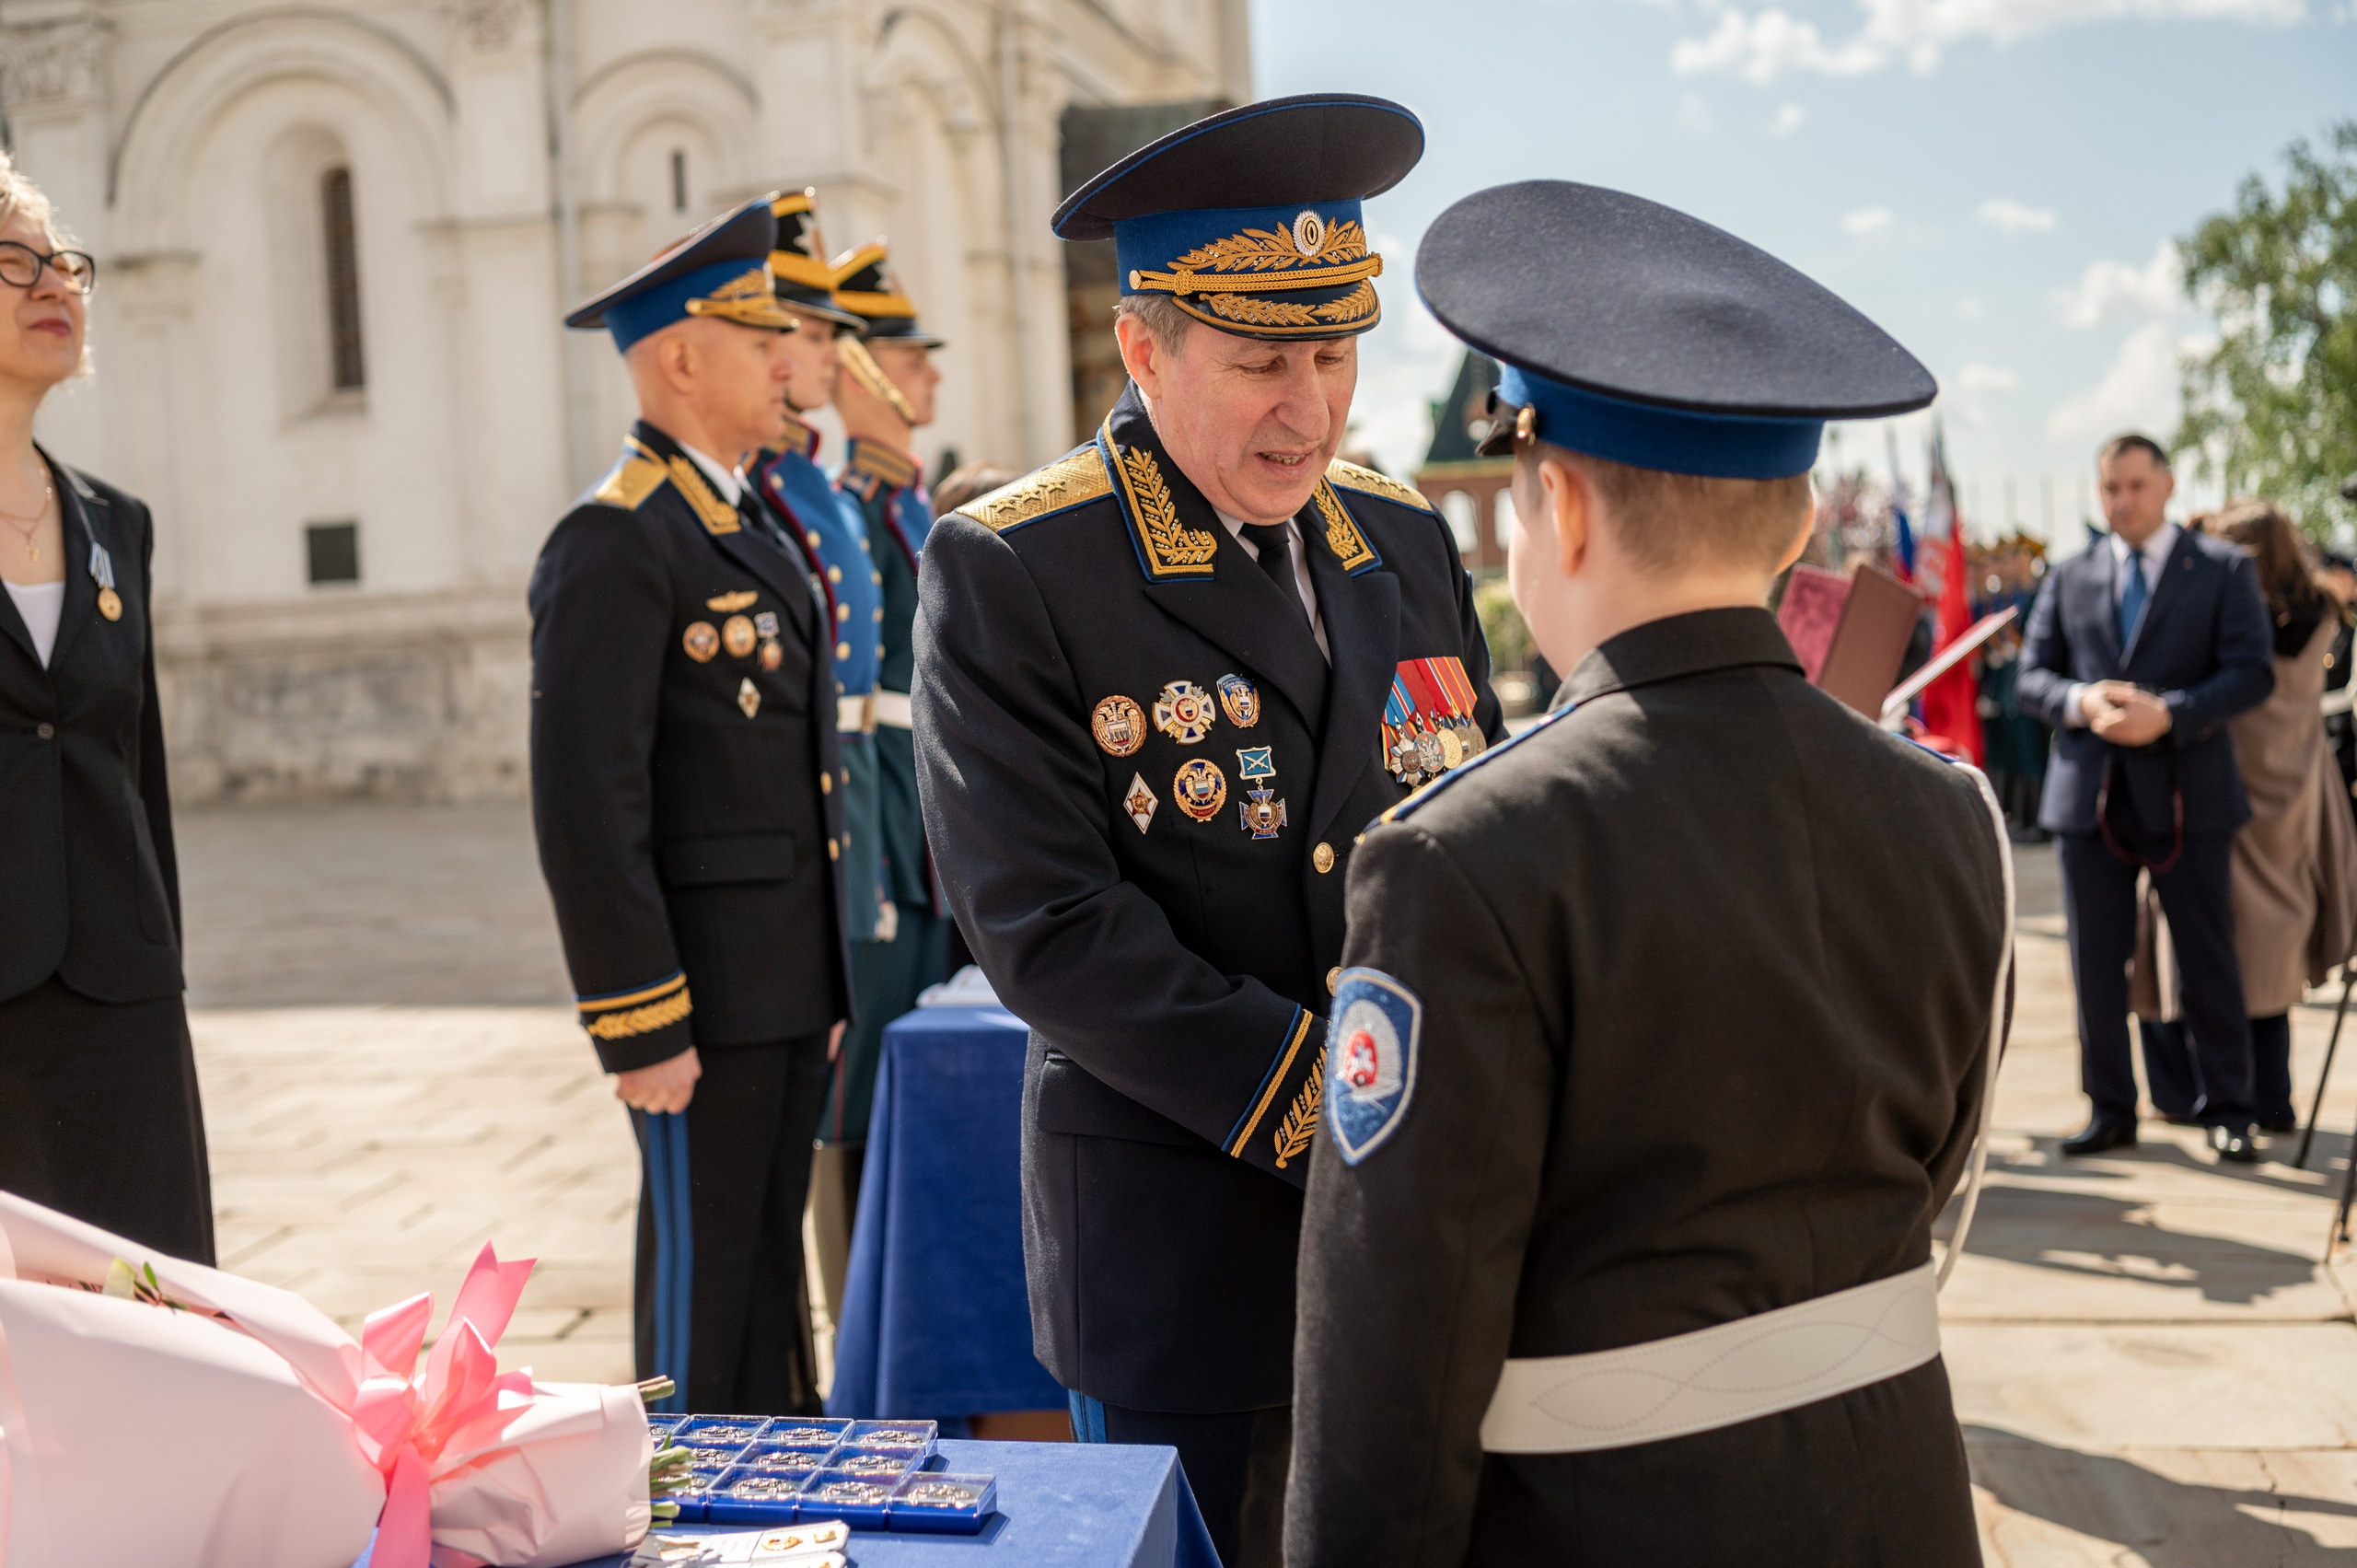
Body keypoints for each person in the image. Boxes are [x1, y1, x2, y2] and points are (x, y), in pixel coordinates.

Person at [1283, 178, 2004, 1568]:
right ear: (1797, 527)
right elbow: (1932, 1173)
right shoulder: (1947, 811)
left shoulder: (1459, 856)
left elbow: (1395, 1365)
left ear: (1554, 507)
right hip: (1897, 1501)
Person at [912, 95, 1501, 1567]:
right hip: (1184, 1240)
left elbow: (1476, 826)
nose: (1308, 407)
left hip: (1418, 1234)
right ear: (1144, 346)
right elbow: (1045, 925)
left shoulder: (1401, 536)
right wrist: (1343, 1107)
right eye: (1259, 362)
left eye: (1334, 353)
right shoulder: (1017, 564)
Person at [530, 196, 851, 1414]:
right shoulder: (615, 540)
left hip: (779, 987)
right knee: (702, 1310)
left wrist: (822, 980)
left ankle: (783, 1491)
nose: (788, 359)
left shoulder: (746, 518)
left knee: (773, 1292)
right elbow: (585, 803)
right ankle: (687, 1512)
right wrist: (639, 1018)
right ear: (677, 355)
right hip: (697, 1004)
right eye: (757, 331)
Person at [0, 151, 213, 1265]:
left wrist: (159, 948)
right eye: (13, 260)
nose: (55, 286)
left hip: (120, 994)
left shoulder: (112, 521)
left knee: (148, 1313)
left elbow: (143, 772)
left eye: (64, 264)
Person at [2017, 435, 2275, 1162]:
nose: (2122, 501)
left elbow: (2252, 672)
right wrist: (2079, 698)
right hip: (2089, 797)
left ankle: (2229, 1106)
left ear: (2165, 484)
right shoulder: (2069, 575)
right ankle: (2109, 1106)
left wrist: (2174, 712)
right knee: (2094, 961)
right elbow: (2031, 677)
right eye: (2109, 489)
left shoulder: (2223, 570)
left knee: (2205, 955)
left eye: (2134, 485)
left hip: (2190, 792)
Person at [746, 192, 890, 1195]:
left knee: (844, 1090)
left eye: (833, 330)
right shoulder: (758, 487)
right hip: (794, 808)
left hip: (855, 796)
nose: (831, 351)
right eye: (804, 328)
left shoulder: (819, 487)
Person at [2134, 501, 2357, 1133]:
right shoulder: (2322, 613)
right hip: (2293, 786)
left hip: (2223, 785)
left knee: (2189, 936)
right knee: (2270, 947)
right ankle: (2272, 1097)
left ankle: (2186, 1090)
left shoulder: (2229, 615)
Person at [824, 239, 951, 1219]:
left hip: (924, 824)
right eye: (909, 360)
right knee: (858, 1087)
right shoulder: (858, 511)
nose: (931, 376)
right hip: (886, 823)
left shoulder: (903, 501)